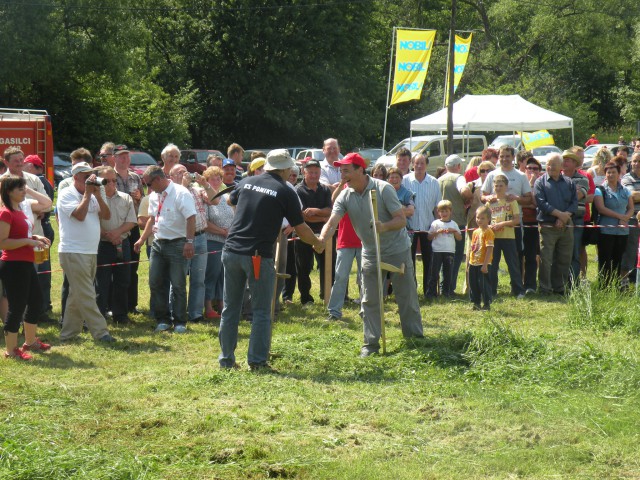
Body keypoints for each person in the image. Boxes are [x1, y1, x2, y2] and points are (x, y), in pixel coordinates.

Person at [218, 149, 324, 370]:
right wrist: (317, 243)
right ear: (285, 169)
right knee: (261, 311)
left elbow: (230, 199)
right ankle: (257, 362)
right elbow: (301, 228)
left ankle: (226, 360)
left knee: (230, 308)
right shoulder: (285, 191)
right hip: (257, 255)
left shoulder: (247, 181)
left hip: (231, 251)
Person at [319, 153, 424, 358]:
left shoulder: (383, 189)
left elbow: (401, 220)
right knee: (369, 299)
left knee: (406, 295)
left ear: (360, 169)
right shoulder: (345, 195)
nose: (342, 175)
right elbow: (332, 222)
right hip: (370, 252)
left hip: (397, 250)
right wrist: (322, 239)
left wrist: (382, 226)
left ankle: (414, 339)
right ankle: (371, 344)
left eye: (346, 171)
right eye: (341, 171)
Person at [57, 162, 115, 343]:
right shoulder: (66, 194)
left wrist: (97, 194)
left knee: (77, 294)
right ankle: (101, 332)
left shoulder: (96, 192)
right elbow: (80, 216)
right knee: (88, 293)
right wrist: (88, 195)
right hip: (73, 251)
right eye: (85, 177)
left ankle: (68, 334)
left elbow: (106, 215)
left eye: (91, 176)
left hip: (90, 251)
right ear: (75, 178)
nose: (89, 180)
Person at [134, 165, 196, 333]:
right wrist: (141, 239)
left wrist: (189, 242)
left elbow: (191, 218)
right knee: (155, 282)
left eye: (149, 184)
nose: (148, 188)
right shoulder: (154, 196)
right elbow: (152, 219)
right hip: (158, 244)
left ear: (158, 179)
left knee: (178, 284)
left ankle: (180, 321)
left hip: (178, 244)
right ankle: (163, 319)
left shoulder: (181, 193)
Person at [0, 176, 52, 360]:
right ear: (8, 192)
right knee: (17, 306)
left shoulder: (20, 211)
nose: (24, 191)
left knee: (37, 301)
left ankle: (30, 342)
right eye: (20, 188)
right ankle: (11, 350)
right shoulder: (6, 213)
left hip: (26, 263)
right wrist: (28, 241)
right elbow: (3, 242)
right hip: (13, 265)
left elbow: (23, 234)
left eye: (24, 187)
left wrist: (35, 238)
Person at [169, 164, 217, 323]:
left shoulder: (196, 190)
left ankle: (195, 314)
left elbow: (215, 200)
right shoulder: (171, 191)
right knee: (178, 277)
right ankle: (175, 312)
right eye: (179, 172)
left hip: (201, 237)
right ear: (171, 176)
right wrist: (183, 184)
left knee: (199, 278)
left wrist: (205, 183)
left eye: (185, 171)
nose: (184, 174)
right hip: (182, 239)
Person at [482, 145, 531, 296]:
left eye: (507, 156)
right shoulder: (492, 175)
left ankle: (517, 289)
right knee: (492, 261)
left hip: (513, 226)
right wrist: (488, 197)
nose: (504, 159)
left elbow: (529, 198)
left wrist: (516, 198)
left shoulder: (521, 176)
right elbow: (482, 196)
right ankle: (491, 290)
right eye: (501, 156)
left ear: (513, 157)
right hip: (493, 228)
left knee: (515, 260)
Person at [95, 166, 137, 323]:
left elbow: (132, 221)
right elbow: (92, 222)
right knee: (102, 281)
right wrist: (107, 235)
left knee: (123, 280)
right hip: (102, 244)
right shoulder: (95, 199)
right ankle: (100, 315)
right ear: (100, 182)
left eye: (114, 180)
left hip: (122, 243)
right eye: (107, 181)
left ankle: (120, 315)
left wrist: (117, 233)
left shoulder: (126, 198)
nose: (112, 183)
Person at [534, 154, 577, 295]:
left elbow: (574, 203)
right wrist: (560, 215)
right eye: (548, 164)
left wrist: (564, 217)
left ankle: (559, 287)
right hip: (547, 226)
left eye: (553, 164)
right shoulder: (540, 182)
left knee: (564, 258)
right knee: (546, 259)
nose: (550, 167)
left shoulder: (569, 182)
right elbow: (541, 203)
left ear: (561, 166)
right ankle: (545, 288)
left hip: (566, 226)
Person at [402, 153, 441, 297]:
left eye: (422, 163)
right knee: (409, 262)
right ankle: (411, 291)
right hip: (409, 229)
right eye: (416, 163)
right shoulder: (405, 181)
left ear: (426, 165)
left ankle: (429, 291)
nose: (419, 166)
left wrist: (438, 226)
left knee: (430, 261)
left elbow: (437, 207)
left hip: (428, 227)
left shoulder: (433, 182)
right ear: (412, 164)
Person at [22, 154, 55, 322]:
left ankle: (40, 309)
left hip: (39, 232)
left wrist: (28, 192)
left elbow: (47, 204)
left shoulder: (37, 181)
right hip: (18, 242)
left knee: (41, 272)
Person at [295, 159, 332, 304]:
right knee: (304, 267)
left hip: (324, 234)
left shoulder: (325, 189)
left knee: (326, 265)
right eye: (310, 172)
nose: (313, 175)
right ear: (304, 172)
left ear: (320, 173)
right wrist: (322, 218)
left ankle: (326, 295)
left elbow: (330, 211)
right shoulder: (298, 190)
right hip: (303, 233)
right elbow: (303, 217)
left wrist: (316, 211)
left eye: (316, 172)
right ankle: (305, 298)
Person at [113, 144, 145, 314]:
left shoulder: (135, 178)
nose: (125, 159)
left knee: (133, 266)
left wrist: (140, 197)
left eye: (127, 156)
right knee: (115, 267)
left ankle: (131, 304)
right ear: (115, 158)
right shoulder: (109, 176)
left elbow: (144, 200)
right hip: (115, 226)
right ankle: (114, 306)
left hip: (132, 226)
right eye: (121, 156)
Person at [327, 178, 362, 321]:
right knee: (340, 277)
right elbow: (333, 200)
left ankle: (367, 311)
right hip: (344, 241)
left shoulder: (365, 189)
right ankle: (334, 312)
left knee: (365, 278)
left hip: (363, 242)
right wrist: (341, 184)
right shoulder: (343, 190)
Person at [593, 160, 634, 287]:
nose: (610, 175)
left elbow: (631, 208)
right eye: (608, 172)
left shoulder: (625, 191)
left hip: (622, 231)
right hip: (606, 230)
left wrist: (625, 218)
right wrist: (619, 216)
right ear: (605, 174)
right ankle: (604, 286)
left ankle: (615, 286)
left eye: (613, 172)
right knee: (605, 259)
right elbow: (601, 208)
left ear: (618, 174)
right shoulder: (600, 190)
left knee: (618, 259)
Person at [485, 174, 526, 298]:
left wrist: (503, 223)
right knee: (493, 265)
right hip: (493, 238)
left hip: (508, 237)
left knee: (513, 264)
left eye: (501, 186)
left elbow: (517, 220)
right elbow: (485, 220)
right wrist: (491, 226)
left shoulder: (511, 201)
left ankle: (518, 290)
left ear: (506, 186)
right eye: (496, 186)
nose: (498, 188)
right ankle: (491, 291)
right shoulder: (490, 202)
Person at [203, 166, 234, 319]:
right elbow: (205, 223)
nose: (217, 181)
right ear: (206, 181)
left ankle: (222, 306)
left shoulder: (226, 197)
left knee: (223, 275)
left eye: (219, 178)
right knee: (212, 274)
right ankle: (208, 307)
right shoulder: (205, 198)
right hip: (212, 241)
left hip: (227, 242)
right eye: (213, 179)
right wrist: (222, 232)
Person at [437, 154, 471, 292]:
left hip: (440, 222)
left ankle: (443, 286)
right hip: (457, 223)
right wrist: (468, 199)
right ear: (458, 166)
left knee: (442, 256)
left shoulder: (438, 180)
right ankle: (450, 287)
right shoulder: (459, 178)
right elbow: (465, 190)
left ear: (446, 167)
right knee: (455, 257)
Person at [562, 149, 594, 285]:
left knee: (575, 251)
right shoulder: (557, 177)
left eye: (568, 160)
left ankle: (573, 283)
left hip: (576, 219)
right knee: (561, 252)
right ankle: (560, 282)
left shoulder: (583, 178)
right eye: (563, 160)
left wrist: (561, 194)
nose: (564, 162)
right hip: (559, 219)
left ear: (575, 163)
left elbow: (579, 195)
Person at [426, 200, 462, 299]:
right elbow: (429, 237)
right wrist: (436, 232)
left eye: (446, 211)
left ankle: (446, 292)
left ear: (450, 211)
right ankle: (431, 293)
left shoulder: (454, 224)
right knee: (434, 273)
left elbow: (459, 238)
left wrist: (454, 231)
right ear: (438, 212)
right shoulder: (435, 223)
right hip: (437, 251)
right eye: (442, 211)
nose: (444, 214)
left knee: (448, 273)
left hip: (449, 251)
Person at [521, 157, 542, 293]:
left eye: (535, 168)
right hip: (518, 222)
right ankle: (517, 283)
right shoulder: (520, 180)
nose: (532, 171)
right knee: (517, 255)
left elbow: (536, 204)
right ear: (525, 169)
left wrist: (532, 184)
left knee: (531, 255)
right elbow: (517, 202)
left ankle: (530, 285)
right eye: (529, 168)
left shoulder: (540, 183)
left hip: (533, 223)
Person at [468, 206, 494, 311]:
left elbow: (489, 248)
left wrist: (485, 264)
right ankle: (476, 302)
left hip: (483, 263)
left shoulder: (489, 232)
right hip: (473, 262)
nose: (479, 220)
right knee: (473, 283)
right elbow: (473, 247)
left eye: (482, 218)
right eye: (478, 217)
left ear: (488, 219)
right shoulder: (475, 232)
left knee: (483, 284)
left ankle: (486, 303)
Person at [620, 152, 640, 286]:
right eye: (634, 161)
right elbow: (631, 196)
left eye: (639, 161)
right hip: (633, 219)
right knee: (630, 249)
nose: (636, 164)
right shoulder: (626, 178)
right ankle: (625, 279)